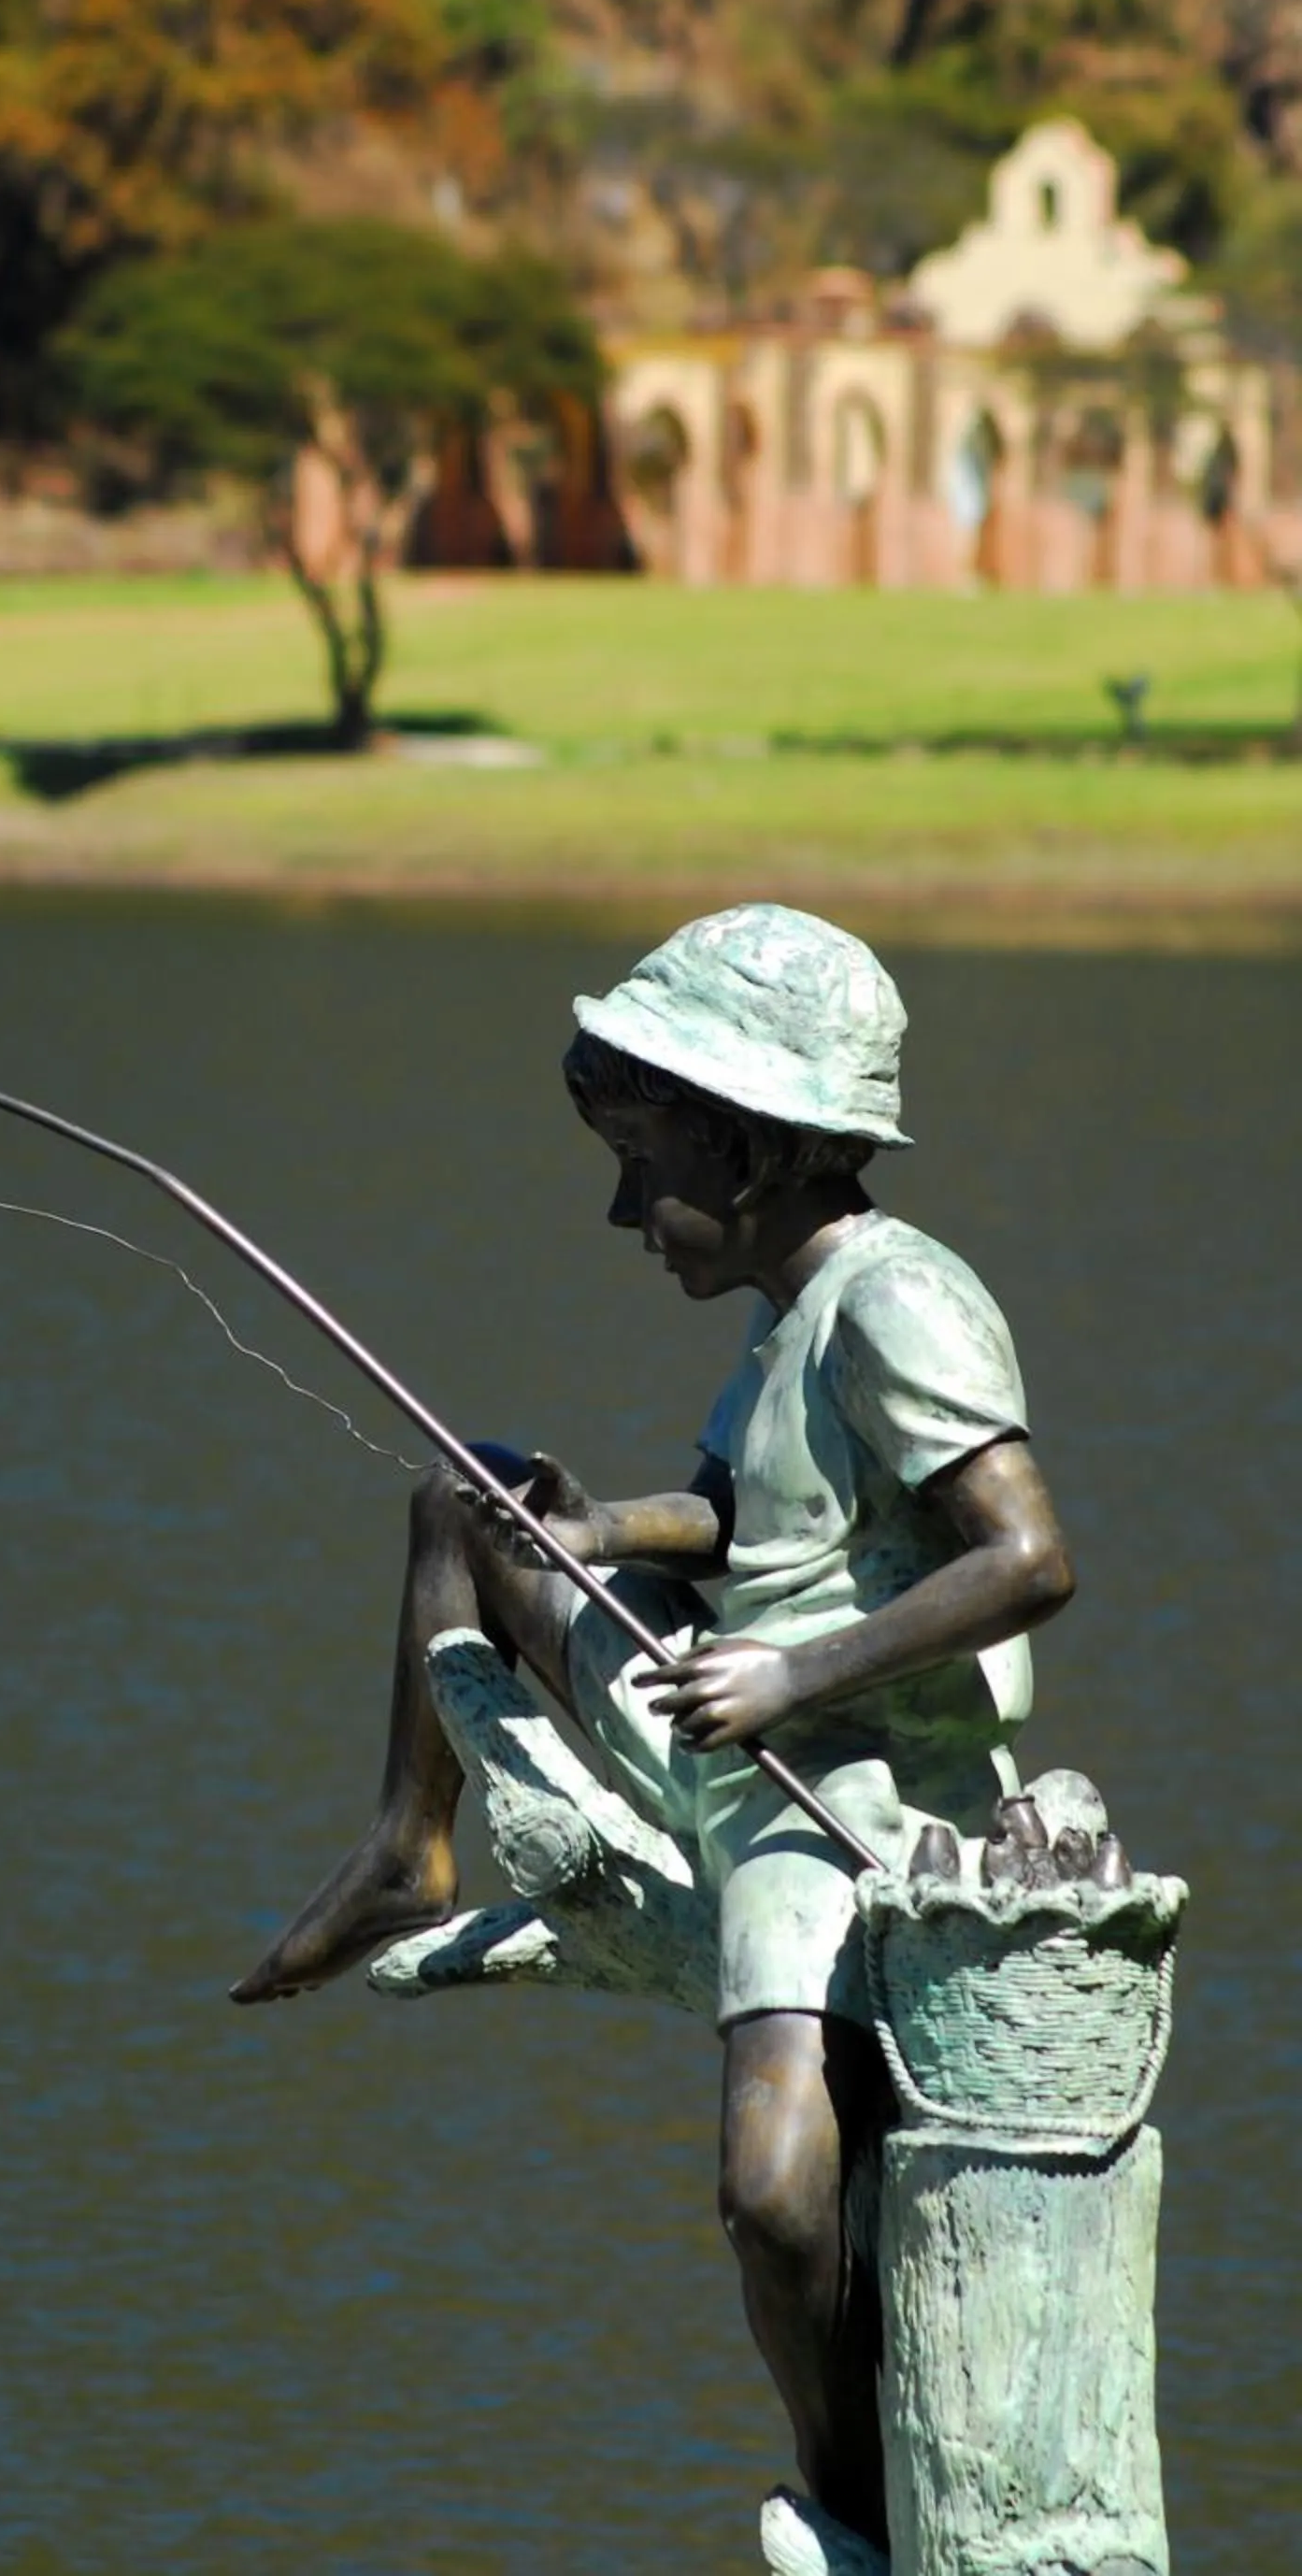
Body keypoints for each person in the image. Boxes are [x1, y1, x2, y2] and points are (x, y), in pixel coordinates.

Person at [229, 903, 1076, 2554]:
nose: (623, 1208)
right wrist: (606, 1533)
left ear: (749, 1148)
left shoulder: (898, 1304)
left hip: (831, 1799)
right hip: (725, 1720)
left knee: (772, 2200)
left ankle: (861, 2500)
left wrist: (790, 1679)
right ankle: (406, 1843)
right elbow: (743, 1521)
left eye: (640, 1158)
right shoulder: (785, 1325)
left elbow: (1026, 1558)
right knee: (469, 1497)